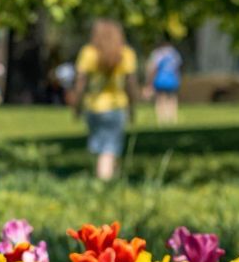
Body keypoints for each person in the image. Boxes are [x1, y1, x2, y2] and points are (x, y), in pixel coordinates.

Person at [67, 19, 140, 182]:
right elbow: (130, 84)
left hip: (92, 106)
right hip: (115, 106)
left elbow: (80, 84)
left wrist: (76, 107)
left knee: (102, 146)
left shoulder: (88, 53)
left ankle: (108, 175)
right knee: (109, 148)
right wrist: (133, 107)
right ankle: (105, 182)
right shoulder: (125, 54)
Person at [146, 39, 182, 125]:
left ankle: (162, 120)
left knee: (160, 99)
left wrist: (149, 82)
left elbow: (153, 68)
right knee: (172, 99)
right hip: (172, 79)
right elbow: (178, 67)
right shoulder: (174, 53)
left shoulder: (158, 53)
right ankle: (172, 118)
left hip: (160, 79)